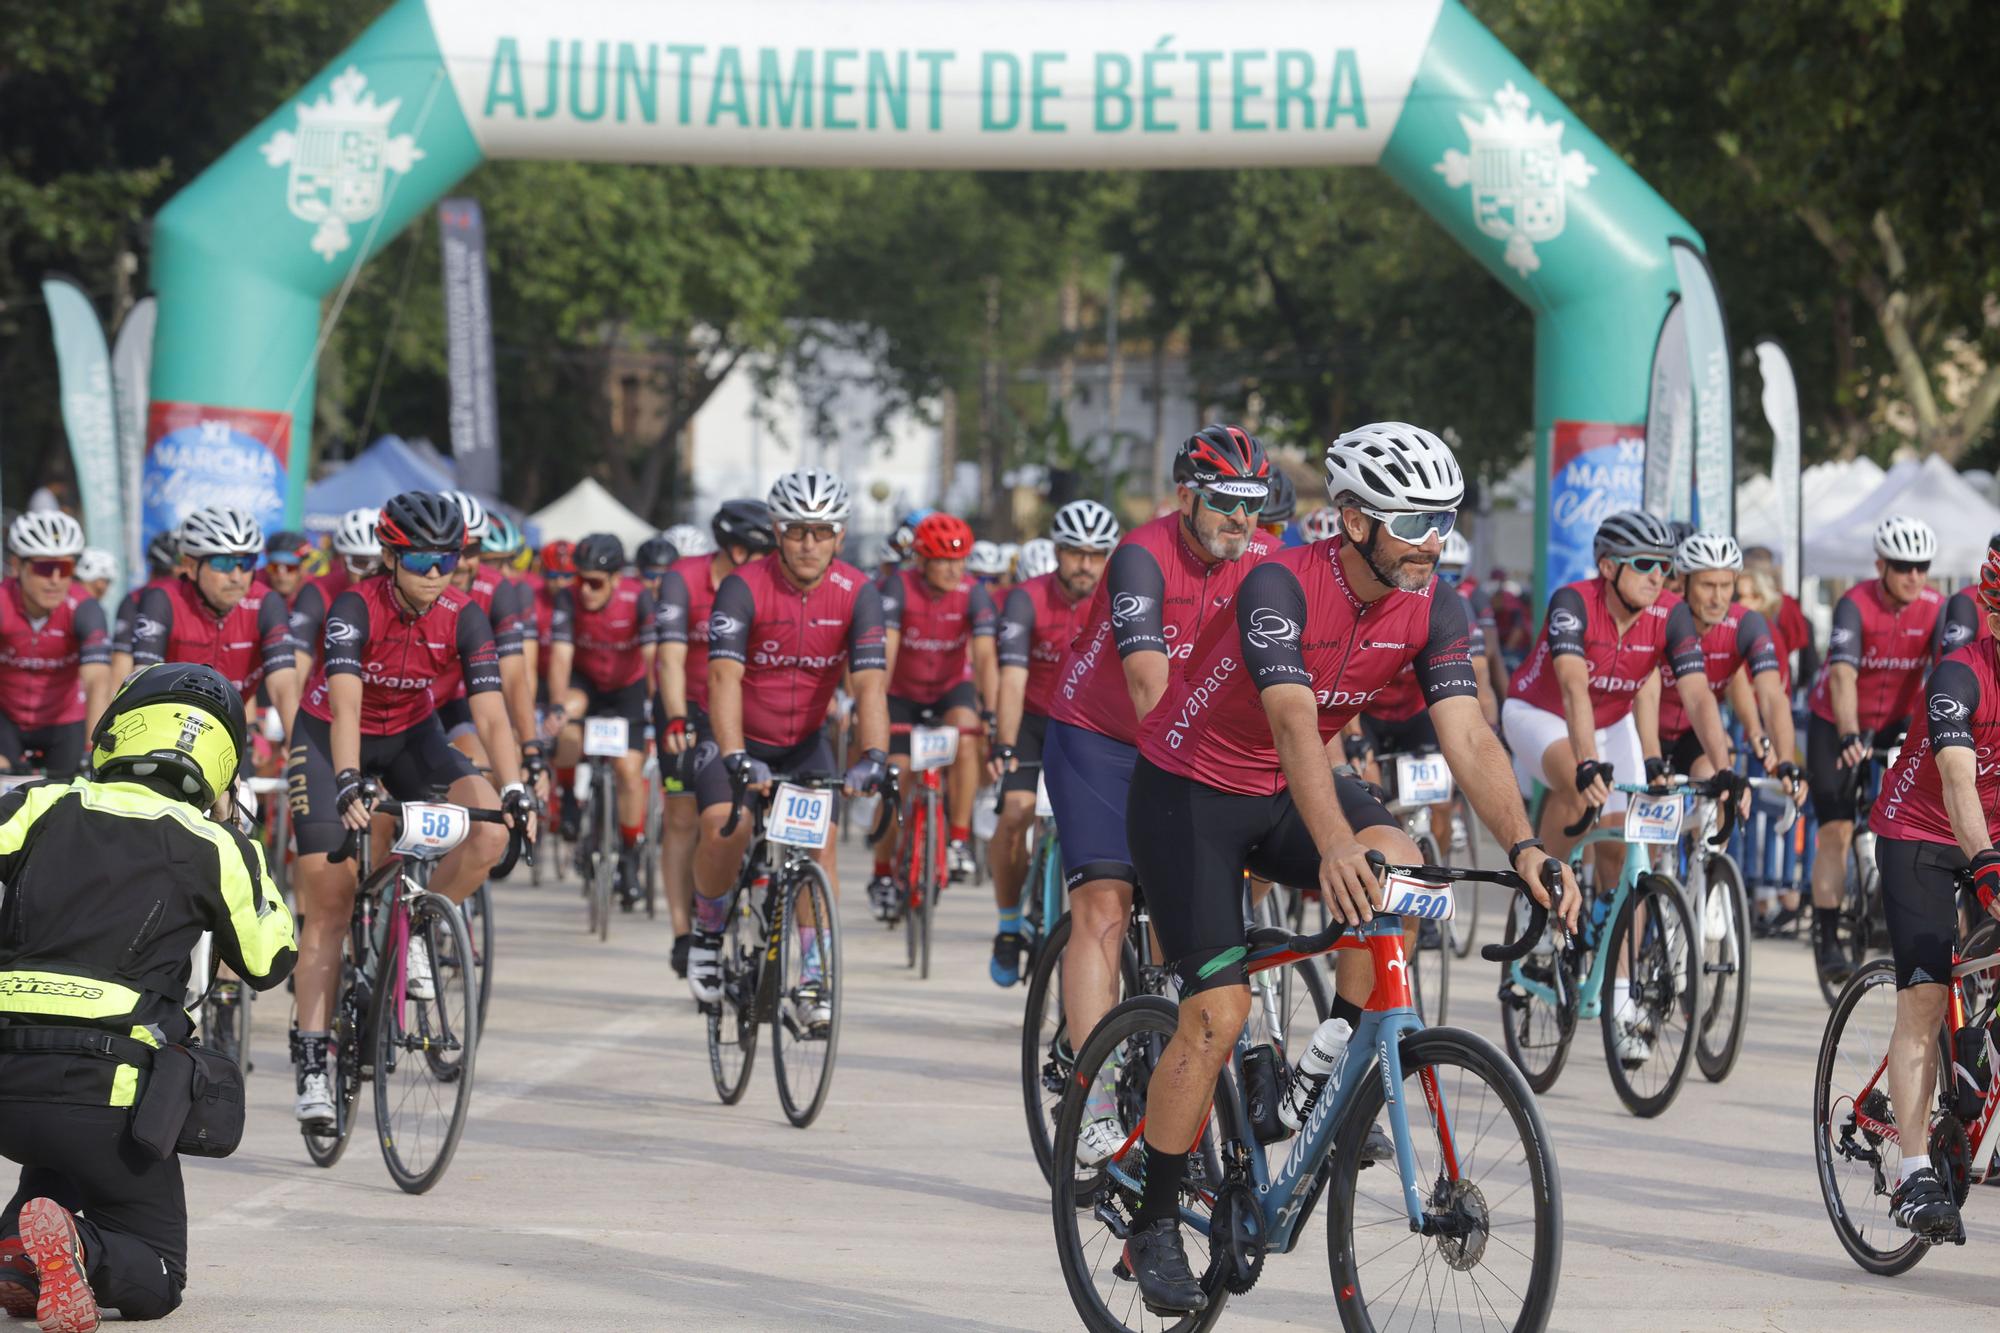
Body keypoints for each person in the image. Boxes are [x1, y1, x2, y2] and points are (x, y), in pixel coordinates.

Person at [1112, 423, 1580, 1313]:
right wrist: (1332, 845)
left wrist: (1524, 846)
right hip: (1191, 792)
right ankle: (1156, 1217)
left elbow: (1469, 734)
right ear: (1356, 519)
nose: (1432, 541)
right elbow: (1292, 719)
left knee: (1403, 865)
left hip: (1291, 785)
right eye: (1413, 521)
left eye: (1443, 519)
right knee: (1216, 1013)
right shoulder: (1277, 581)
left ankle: (1321, 1066)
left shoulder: (1435, 600)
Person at [0, 663, 296, 1329]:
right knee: (160, 1270)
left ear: (116, 732)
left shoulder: (43, 802)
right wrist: (245, 847)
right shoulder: (216, 843)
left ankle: (19, 1255)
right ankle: (79, 1246)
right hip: (107, 1093)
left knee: (60, 1157)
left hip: (8, 1075)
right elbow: (271, 958)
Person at [1043, 424, 1275, 1163]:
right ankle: (1096, 1094)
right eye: (1225, 505)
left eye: (1254, 506)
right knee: (1105, 905)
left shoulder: (1264, 562)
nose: (1242, 522)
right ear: (1185, 497)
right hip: (1101, 738)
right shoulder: (1141, 556)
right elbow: (1149, 685)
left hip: (1190, 737)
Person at [286, 491, 532, 1128]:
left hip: (411, 736)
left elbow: (489, 716)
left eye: (447, 558)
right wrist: (344, 781)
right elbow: (343, 708)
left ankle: (417, 923)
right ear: (391, 556)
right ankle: (313, 1059)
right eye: (421, 557)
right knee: (331, 903)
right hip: (327, 739)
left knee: (487, 832)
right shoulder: (352, 606)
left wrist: (515, 789)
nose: (435, 571)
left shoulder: (464, 613)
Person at [685, 470, 891, 1028]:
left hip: (803, 743)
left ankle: (814, 976)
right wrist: (733, 755)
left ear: (839, 537)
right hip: (732, 732)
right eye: (797, 530)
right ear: (777, 530)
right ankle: (706, 930)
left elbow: (870, 683)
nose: (808, 543)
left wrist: (873, 754)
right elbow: (724, 678)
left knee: (818, 847)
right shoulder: (744, 586)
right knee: (725, 825)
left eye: (821, 532)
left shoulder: (858, 593)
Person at [1866, 544, 2000, 1245]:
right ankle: (1914, 1172)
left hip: (1992, 834)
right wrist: (1983, 862)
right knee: (1923, 995)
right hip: (1921, 832)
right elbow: (1955, 779)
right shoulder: (1960, 673)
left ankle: (1977, 1053)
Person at [1502, 509, 1738, 867]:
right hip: (1541, 714)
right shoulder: (1574, 602)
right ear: (1609, 567)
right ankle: (1542, 890)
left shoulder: (1672, 614)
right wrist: (1585, 762)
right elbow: (1573, 687)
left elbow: (1698, 694)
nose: (1657, 577)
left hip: (1611, 721)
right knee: (1580, 790)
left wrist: (1724, 771)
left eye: (1666, 566)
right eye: (1645, 564)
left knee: (1626, 844)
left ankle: (1617, 917)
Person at [1802, 515, 1970, 985]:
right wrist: (1850, 734)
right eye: (1902, 565)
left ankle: (1887, 905)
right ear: (1880, 564)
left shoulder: (1937, 606)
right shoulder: (1854, 603)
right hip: (1837, 719)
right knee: (1835, 829)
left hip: (1897, 723)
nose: (1913, 575)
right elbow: (1842, 675)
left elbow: (1948, 669)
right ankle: (1828, 935)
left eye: (1922, 565)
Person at [986, 500, 1119, 985]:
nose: (1085, 565)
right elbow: (1012, 678)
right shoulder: (1026, 598)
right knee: (1016, 811)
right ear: (1057, 552)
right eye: (1075, 553)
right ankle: (1006, 924)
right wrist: (1003, 743)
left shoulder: (1117, 595)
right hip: (1033, 720)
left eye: (1095, 554)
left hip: (1087, 726)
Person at [654, 499, 774, 977]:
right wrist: (677, 716)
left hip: (749, 710)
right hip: (688, 707)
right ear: (735, 549)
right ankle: (684, 932)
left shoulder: (766, 583)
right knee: (684, 818)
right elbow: (669, 657)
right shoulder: (684, 577)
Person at [869, 512, 998, 905]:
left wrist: (990, 715)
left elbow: (986, 657)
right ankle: (883, 873)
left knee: (966, 727)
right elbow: (885, 653)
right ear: (921, 561)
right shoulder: (899, 587)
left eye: (959, 559)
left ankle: (958, 840)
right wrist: (875, 705)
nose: (953, 568)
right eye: (943, 560)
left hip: (948, 689)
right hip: (902, 692)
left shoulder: (973, 593)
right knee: (898, 773)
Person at [124, 507, 301, 747]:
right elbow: (142, 677)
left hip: (229, 733)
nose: (237, 577)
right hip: (163, 730)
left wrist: (299, 747)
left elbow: (284, 684)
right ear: (190, 565)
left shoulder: (267, 603)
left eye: (246, 562)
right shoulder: (163, 599)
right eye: (224, 563)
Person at [546, 533, 658, 909]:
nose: (586, 591)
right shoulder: (568, 598)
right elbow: (561, 656)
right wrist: (558, 708)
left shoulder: (636, 597)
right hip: (586, 684)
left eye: (595, 583)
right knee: (568, 729)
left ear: (614, 580)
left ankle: (629, 856)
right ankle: (570, 802)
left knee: (628, 772)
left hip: (627, 689)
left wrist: (659, 705)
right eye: (581, 580)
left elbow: (653, 655)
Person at [1647, 532, 1799, 794]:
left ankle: (1710, 835)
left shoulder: (1746, 624)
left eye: (1726, 585)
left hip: (1693, 732)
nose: (1718, 598)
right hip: (1644, 729)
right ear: (1684, 581)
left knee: (1718, 785)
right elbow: (1643, 693)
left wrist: (1784, 758)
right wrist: (1651, 754)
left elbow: (1772, 695)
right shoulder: (1659, 616)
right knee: (1649, 819)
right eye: (1707, 585)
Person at [0, 513, 111, 778]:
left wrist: (92, 748)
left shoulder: (84, 607)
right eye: (44, 568)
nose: (56, 579)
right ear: (17, 565)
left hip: (64, 721)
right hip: (6, 719)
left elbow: (97, 679)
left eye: (66, 569)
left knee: (64, 805)